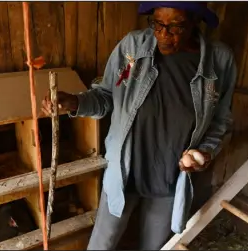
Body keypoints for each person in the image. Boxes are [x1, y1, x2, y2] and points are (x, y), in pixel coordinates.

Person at [42, 2, 237, 250]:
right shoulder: (132, 47)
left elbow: (221, 120)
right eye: (157, 23)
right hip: (124, 171)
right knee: (102, 244)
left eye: (175, 26)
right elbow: (105, 97)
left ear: (195, 22)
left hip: (171, 177)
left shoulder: (219, 60)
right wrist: (73, 102)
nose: (163, 34)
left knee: (154, 247)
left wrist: (205, 151)